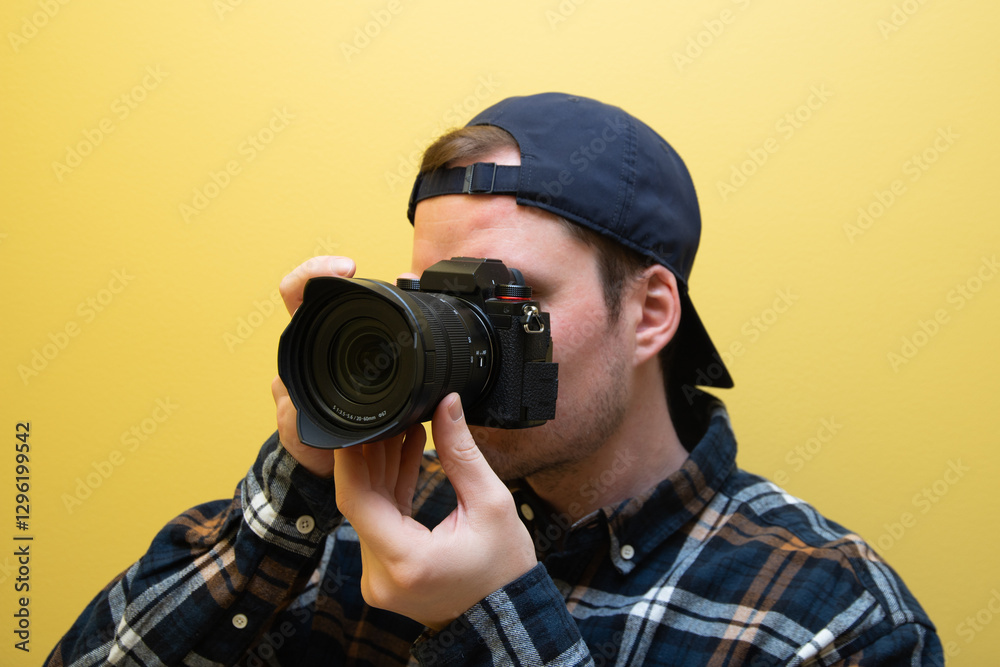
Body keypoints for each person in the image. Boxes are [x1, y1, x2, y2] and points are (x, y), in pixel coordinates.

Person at [46, 93, 942, 666]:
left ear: (650, 313)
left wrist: (495, 615)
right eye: (433, 297)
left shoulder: (828, 618)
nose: (453, 334)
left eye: (507, 297)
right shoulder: (368, 522)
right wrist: (296, 486)